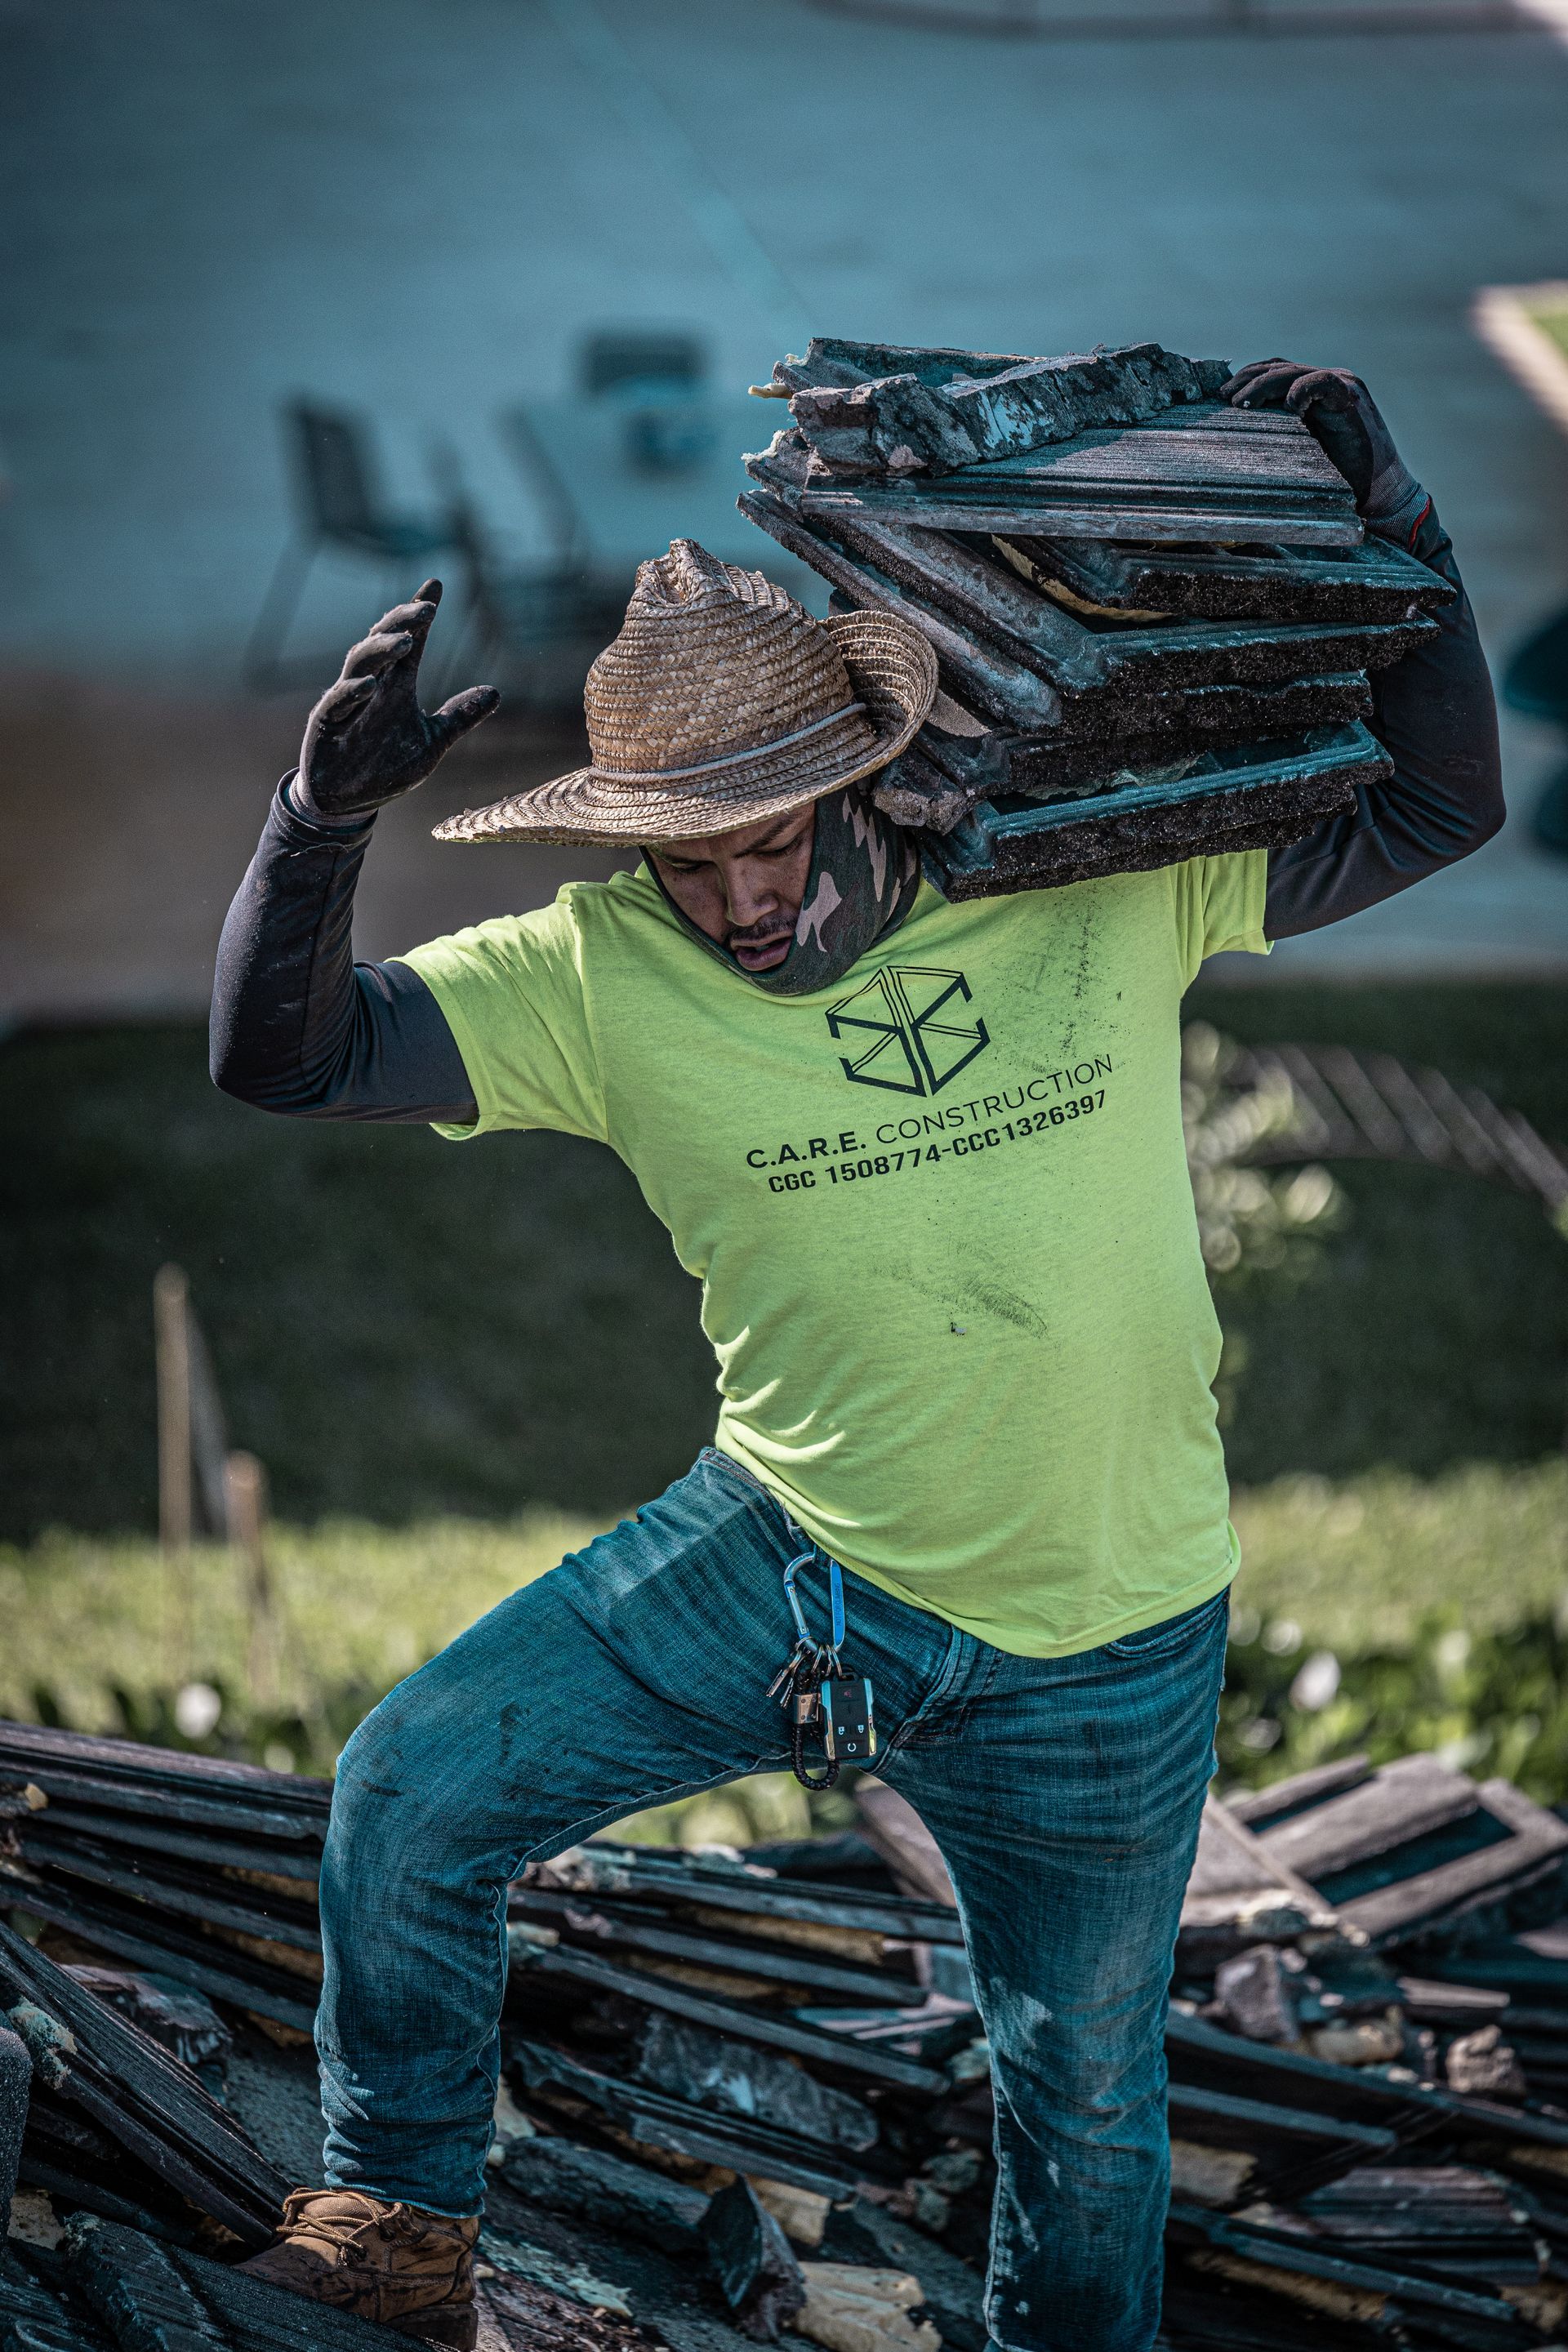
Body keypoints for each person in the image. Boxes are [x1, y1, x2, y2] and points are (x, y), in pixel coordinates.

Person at [211, 363, 1500, 2352]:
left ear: (857, 774)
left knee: (1085, 2095)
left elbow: (1436, 803)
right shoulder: (596, 975)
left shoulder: (1089, 872)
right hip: (795, 1560)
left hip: (1108, 1626)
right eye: (688, 860)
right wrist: (317, 826)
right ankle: (397, 2224)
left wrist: (1404, 543)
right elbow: (283, 1059)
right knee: (409, 1791)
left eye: (770, 843)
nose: (737, 903)